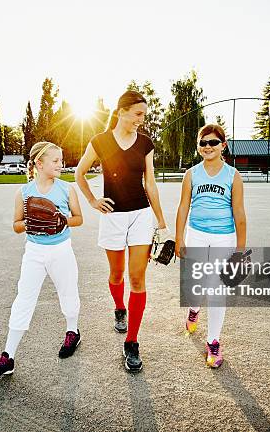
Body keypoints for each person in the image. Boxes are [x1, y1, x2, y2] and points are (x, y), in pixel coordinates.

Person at [75, 90, 167, 372]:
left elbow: (149, 183)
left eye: (144, 114)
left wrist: (161, 222)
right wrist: (92, 201)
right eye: (138, 114)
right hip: (113, 216)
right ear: (122, 111)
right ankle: (119, 308)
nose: (142, 119)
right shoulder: (100, 141)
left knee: (137, 279)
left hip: (140, 215)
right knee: (116, 275)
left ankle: (132, 341)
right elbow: (79, 173)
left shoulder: (145, 144)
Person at [0, 141, 83, 379]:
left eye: (61, 160)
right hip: (35, 253)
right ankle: (8, 356)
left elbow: (79, 219)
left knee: (68, 293)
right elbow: (16, 225)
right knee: (24, 299)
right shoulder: (24, 192)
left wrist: (62, 220)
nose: (61, 164)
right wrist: (31, 223)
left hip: (61, 250)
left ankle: (72, 331)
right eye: (55, 161)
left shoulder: (67, 189)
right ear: (39, 163)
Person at [175, 124, 247, 368]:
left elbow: (239, 213)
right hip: (196, 235)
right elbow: (184, 207)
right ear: (198, 147)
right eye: (203, 143)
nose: (208, 147)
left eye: (213, 142)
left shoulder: (233, 175)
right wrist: (179, 238)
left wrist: (240, 250)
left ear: (223, 145)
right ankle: (194, 309)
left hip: (223, 239)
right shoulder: (191, 174)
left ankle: (213, 341)